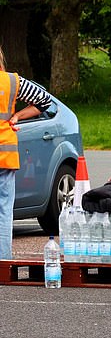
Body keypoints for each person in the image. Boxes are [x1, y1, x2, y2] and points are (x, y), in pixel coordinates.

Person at [0, 45, 53, 259]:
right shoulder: (13, 81)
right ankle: (3, 263)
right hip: (5, 154)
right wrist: (17, 117)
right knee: (4, 211)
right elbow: (44, 100)